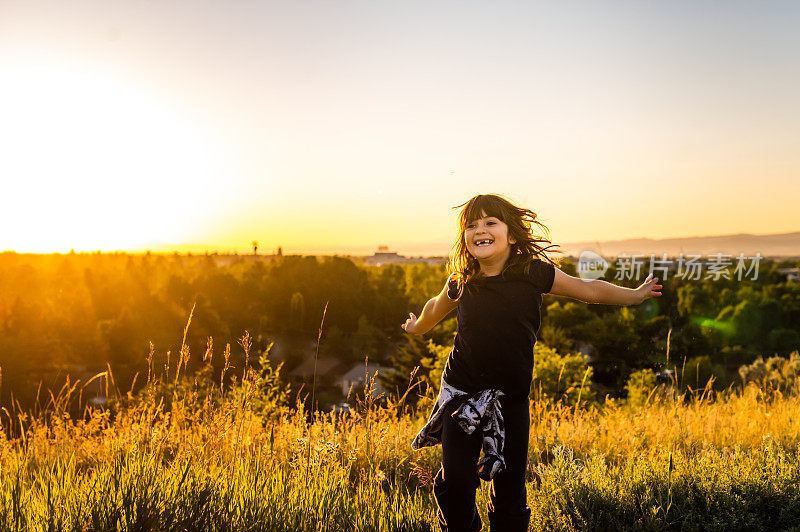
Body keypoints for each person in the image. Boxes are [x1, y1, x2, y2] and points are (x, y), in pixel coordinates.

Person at [402, 193, 662, 532]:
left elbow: (589, 289)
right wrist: (417, 327)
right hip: (461, 394)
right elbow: (435, 307)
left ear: (511, 235)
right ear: (465, 238)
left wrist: (635, 295)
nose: (480, 229)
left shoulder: (532, 273)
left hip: (510, 399)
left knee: (510, 493)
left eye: (490, 222)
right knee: (456, 484)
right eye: (471, 225)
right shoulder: (462, 279)